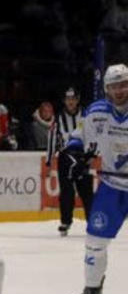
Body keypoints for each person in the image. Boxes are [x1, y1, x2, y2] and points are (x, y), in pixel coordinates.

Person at [64, 63, 128, 294]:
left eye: (124, 84)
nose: (120, 90)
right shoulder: (96, 112)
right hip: (112, 186)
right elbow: (79, 138)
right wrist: (75, 156)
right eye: (114, 86)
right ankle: (92, 293)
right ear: (106, 89)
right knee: (94, 242)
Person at [48, 87, 92, 236]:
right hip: (65, 157)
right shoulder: (59, 117)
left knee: (86, 191)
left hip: (82, 156)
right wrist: (49, 159)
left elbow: (92, 133)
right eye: (68, 99)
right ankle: (66, 221)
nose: (70, 102)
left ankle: (91, 221)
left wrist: (91, 153)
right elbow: (52, 136)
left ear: (77, 100)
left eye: (73, 99)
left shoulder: (86, 114)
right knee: (66, 191)